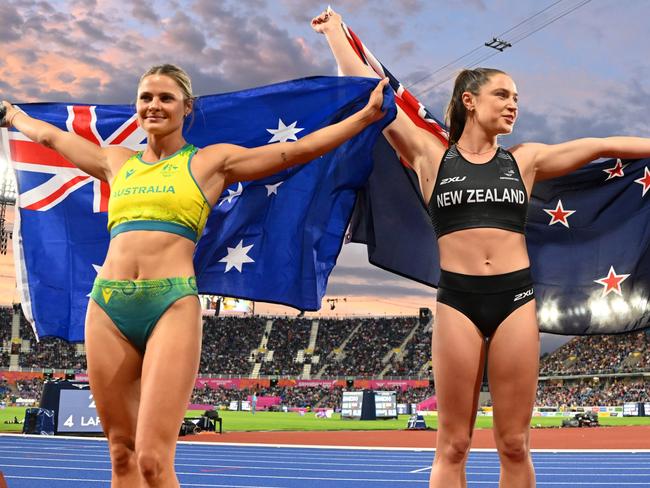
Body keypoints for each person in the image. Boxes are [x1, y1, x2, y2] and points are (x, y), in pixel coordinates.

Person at [1, 64, 388, 488]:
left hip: (171, 304)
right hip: (107, 305)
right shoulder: (117, 162)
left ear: (187, 108)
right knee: (121, 454)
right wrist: (12, 115)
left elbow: (293, 151)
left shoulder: (210, 162)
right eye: (146, 97)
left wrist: (363, 118)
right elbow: (50, 137)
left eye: (166, 98)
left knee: (152, 459)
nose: (154, 105)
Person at [311, 9, 650, 488]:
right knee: (452, 445)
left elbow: (598, 145)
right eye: (503, 95)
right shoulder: (430, 156)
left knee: (514, 443)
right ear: (469, 101)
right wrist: (335, 36)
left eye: (516, 97)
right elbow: (373, 96)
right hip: (458, 301)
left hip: (515, 300)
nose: (514, 105)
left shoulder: (526, 160)